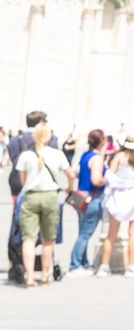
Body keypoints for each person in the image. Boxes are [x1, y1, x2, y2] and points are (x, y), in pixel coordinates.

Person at [14, 124, 74, 287]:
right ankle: (46, 274)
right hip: (50, 196)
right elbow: (70, 174)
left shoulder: (26, 155)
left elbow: (22, 180)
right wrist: (69, 188)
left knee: (29, 238)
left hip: (31, 196)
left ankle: (30, 276)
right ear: (49, 137)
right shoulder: (57, 154)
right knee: (48, 239)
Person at [98, 133, 134, 278]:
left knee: (111, 234)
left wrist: (119, 183)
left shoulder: (119, 156)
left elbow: (109, 175)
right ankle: (131, 267)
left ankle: (104, 266)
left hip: (119, 195)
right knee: (133, 233)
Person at [68, 129, 108, 275]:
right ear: (101, 141)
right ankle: (75, 263)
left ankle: (83, 262)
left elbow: (77, 172)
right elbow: (96, 180)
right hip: (92, 196)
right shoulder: (97, 158)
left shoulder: (85, 155)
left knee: (82, 231)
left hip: (80, 195)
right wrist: (108, 179)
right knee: (85, 233)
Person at [7, 111, 59, 198]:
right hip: (42, 186)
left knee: (18, 210)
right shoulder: (49, 140)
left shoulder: (14, 140)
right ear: (41, 122)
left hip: (18, 182)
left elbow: (13, 158)